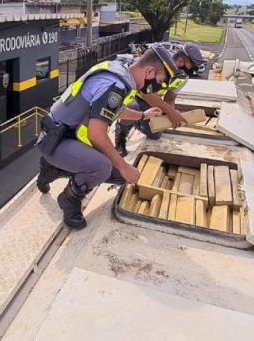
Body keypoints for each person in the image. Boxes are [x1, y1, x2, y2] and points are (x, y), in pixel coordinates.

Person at [36, 46, 183, 229]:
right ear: (150, 72)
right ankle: (69, 198)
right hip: (56, 141)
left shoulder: (119, 72)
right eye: (159, 81)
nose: (157, 88)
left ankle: (54, 169)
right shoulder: (115, 85)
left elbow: (113, 110)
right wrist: (124, 166)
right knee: (103, 167)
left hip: (67, 137)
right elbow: (96, 135)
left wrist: (142, 116)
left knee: (120, 177)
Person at [114, 42, 206, 156]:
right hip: (134, 96)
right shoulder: (159, 65)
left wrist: (168, 117)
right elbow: (147, 94)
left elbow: (170, 98)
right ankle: (121, 138)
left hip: (152, 102)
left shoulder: (182, 78)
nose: (191, 72)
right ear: (181, 61)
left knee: (155, 135)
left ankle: (136, 121)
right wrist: (171, 112)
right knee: (133, 107)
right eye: (191, 67)